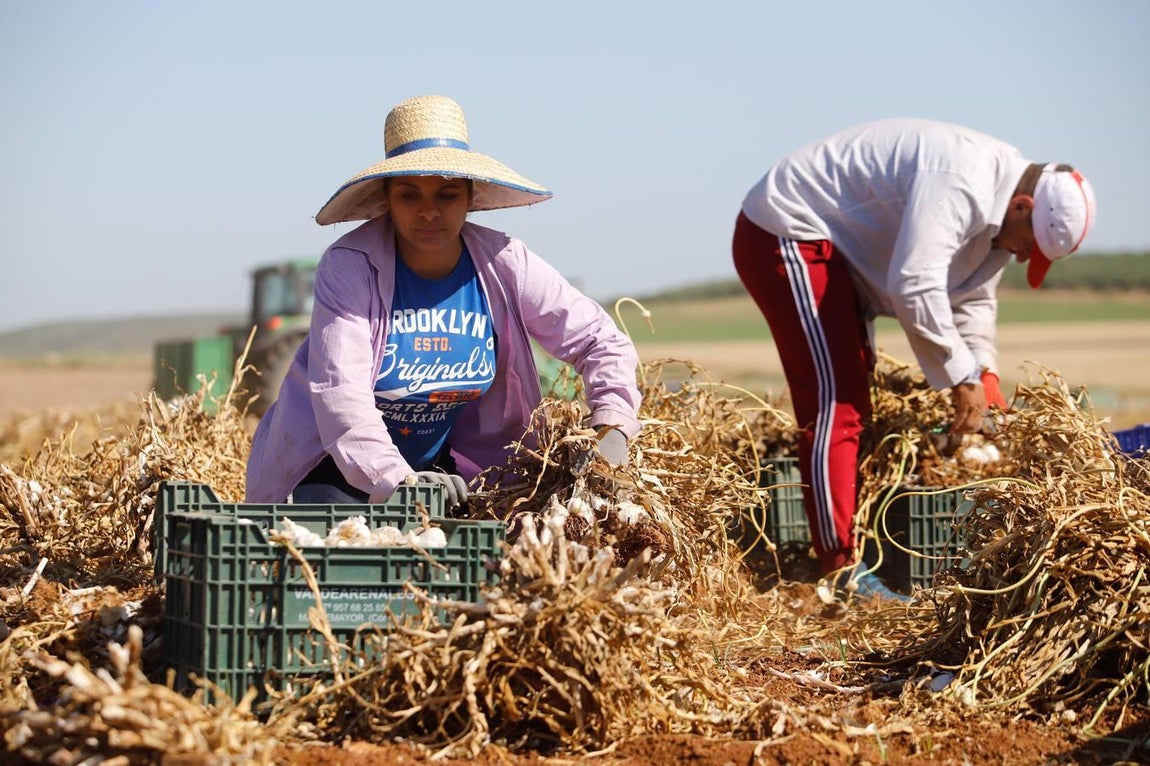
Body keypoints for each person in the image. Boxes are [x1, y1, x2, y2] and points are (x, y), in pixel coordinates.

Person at [732, 118, 1096, 600]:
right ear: (1023, 206)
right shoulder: (961, 179)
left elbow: (974, 300)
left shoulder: (1002, 208)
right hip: (788, 231)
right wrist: (958, 378)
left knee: (855, 393)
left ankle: (852, 541)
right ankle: (840, 570)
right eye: (1029, 246)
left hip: (842, 255)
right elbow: (915, 283)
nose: (1026, 259)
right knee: (837, 401)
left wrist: (984, 374)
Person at [245, 95, 642, 509]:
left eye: (447, 195)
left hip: (437, 470)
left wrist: (611, 426)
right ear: (387, 200)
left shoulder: (505, 263)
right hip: (333, 467)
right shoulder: (350, 268)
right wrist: (399, 482)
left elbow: (600, 341)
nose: (429, 213)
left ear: (471, 197)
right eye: (410, 196)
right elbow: (340, 395)